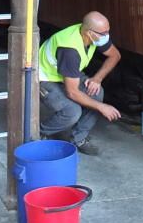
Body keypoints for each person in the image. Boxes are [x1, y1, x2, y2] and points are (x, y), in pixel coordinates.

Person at [38, 11, 122, 156]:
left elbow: (115, 55)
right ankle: (39, 134)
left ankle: (78, 138)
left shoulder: (94, 35)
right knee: (72, 112)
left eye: (108, 31)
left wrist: (97, 79)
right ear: (89, 33)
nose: (107, 36)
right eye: (104, 33)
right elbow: (72, 92)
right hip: (45, 78)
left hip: (66, 73)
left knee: (97, 91)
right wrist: (102, 107)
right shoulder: (69, 49)